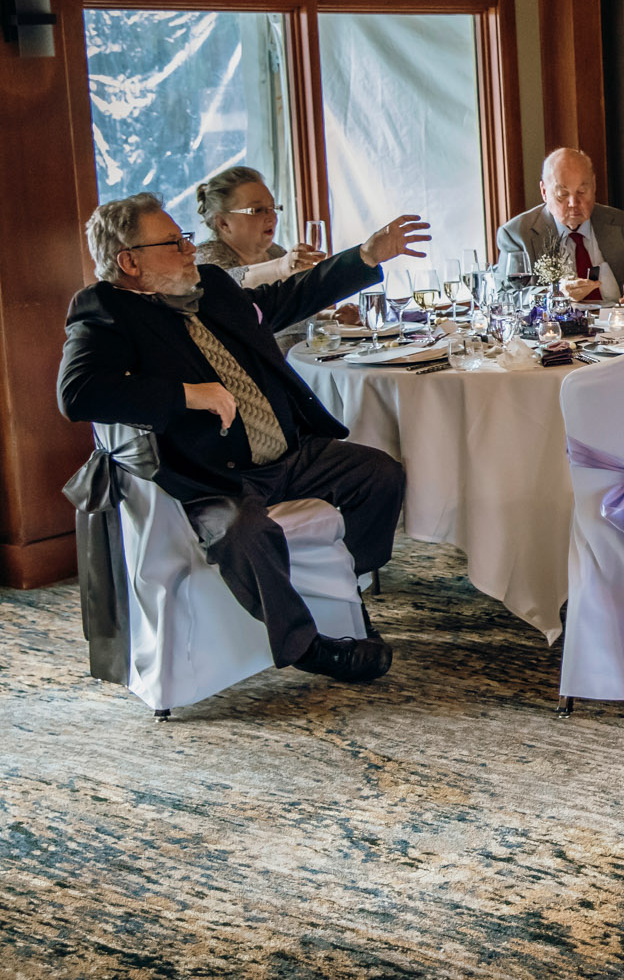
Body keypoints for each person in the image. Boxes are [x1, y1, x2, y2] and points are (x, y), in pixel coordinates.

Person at [58, 192, 432, 683]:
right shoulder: (104, 310)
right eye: (174, 243)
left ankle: (348, 589)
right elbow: (77, 393)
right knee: (245, 533)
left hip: (288, 454)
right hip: (210, 477)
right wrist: (186, 394)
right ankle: (308, 645)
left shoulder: (208, 285)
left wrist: (365, 255)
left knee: (379, 474)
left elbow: (285, 300)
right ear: (130, 262)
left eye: (186, 239)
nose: (191, 250)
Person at [496, 148, 624, 304]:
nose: (574, 203)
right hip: (557, 326)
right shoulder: (517, 234)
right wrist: (555, 293)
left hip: (619, 323)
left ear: (594, 185)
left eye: (582, 191)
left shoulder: (623, 224)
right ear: (544, 192)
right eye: (563, 194)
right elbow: (505, 296)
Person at [192, 165, 324, 289]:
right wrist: (281, 268)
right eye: (257, 210)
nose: (272, 217)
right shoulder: (204, 257)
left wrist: (328, 315)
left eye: (273, 207)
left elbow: (289, 308)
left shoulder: (275, 252)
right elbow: (227, 284)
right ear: (223, 223)